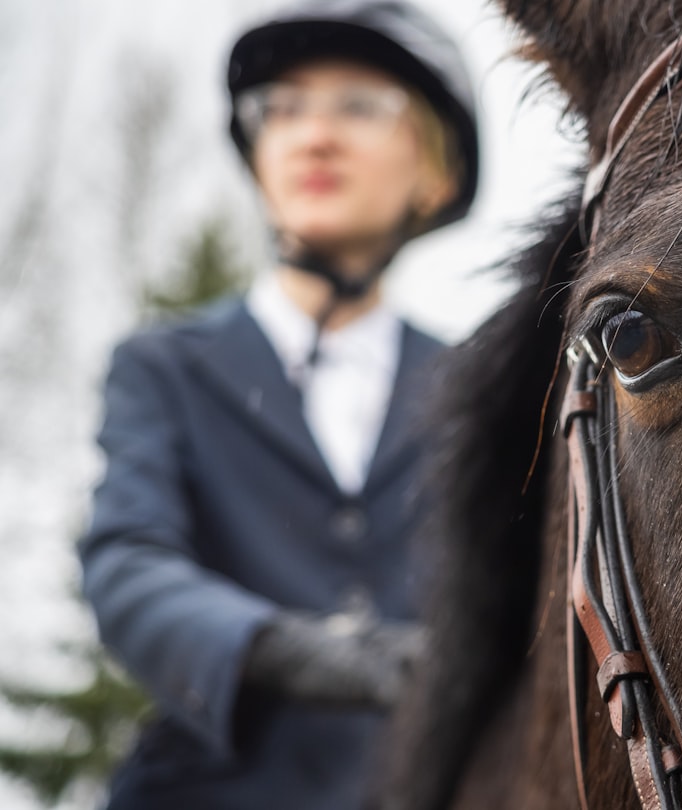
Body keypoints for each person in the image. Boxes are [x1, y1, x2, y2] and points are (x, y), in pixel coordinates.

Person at [77, 1, 479, 808]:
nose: (313, 134)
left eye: (359, 106)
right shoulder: (164, 367)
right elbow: (125, 563)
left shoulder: (475, 388)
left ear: (435, 172)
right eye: (282, 108)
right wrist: (276, 648)